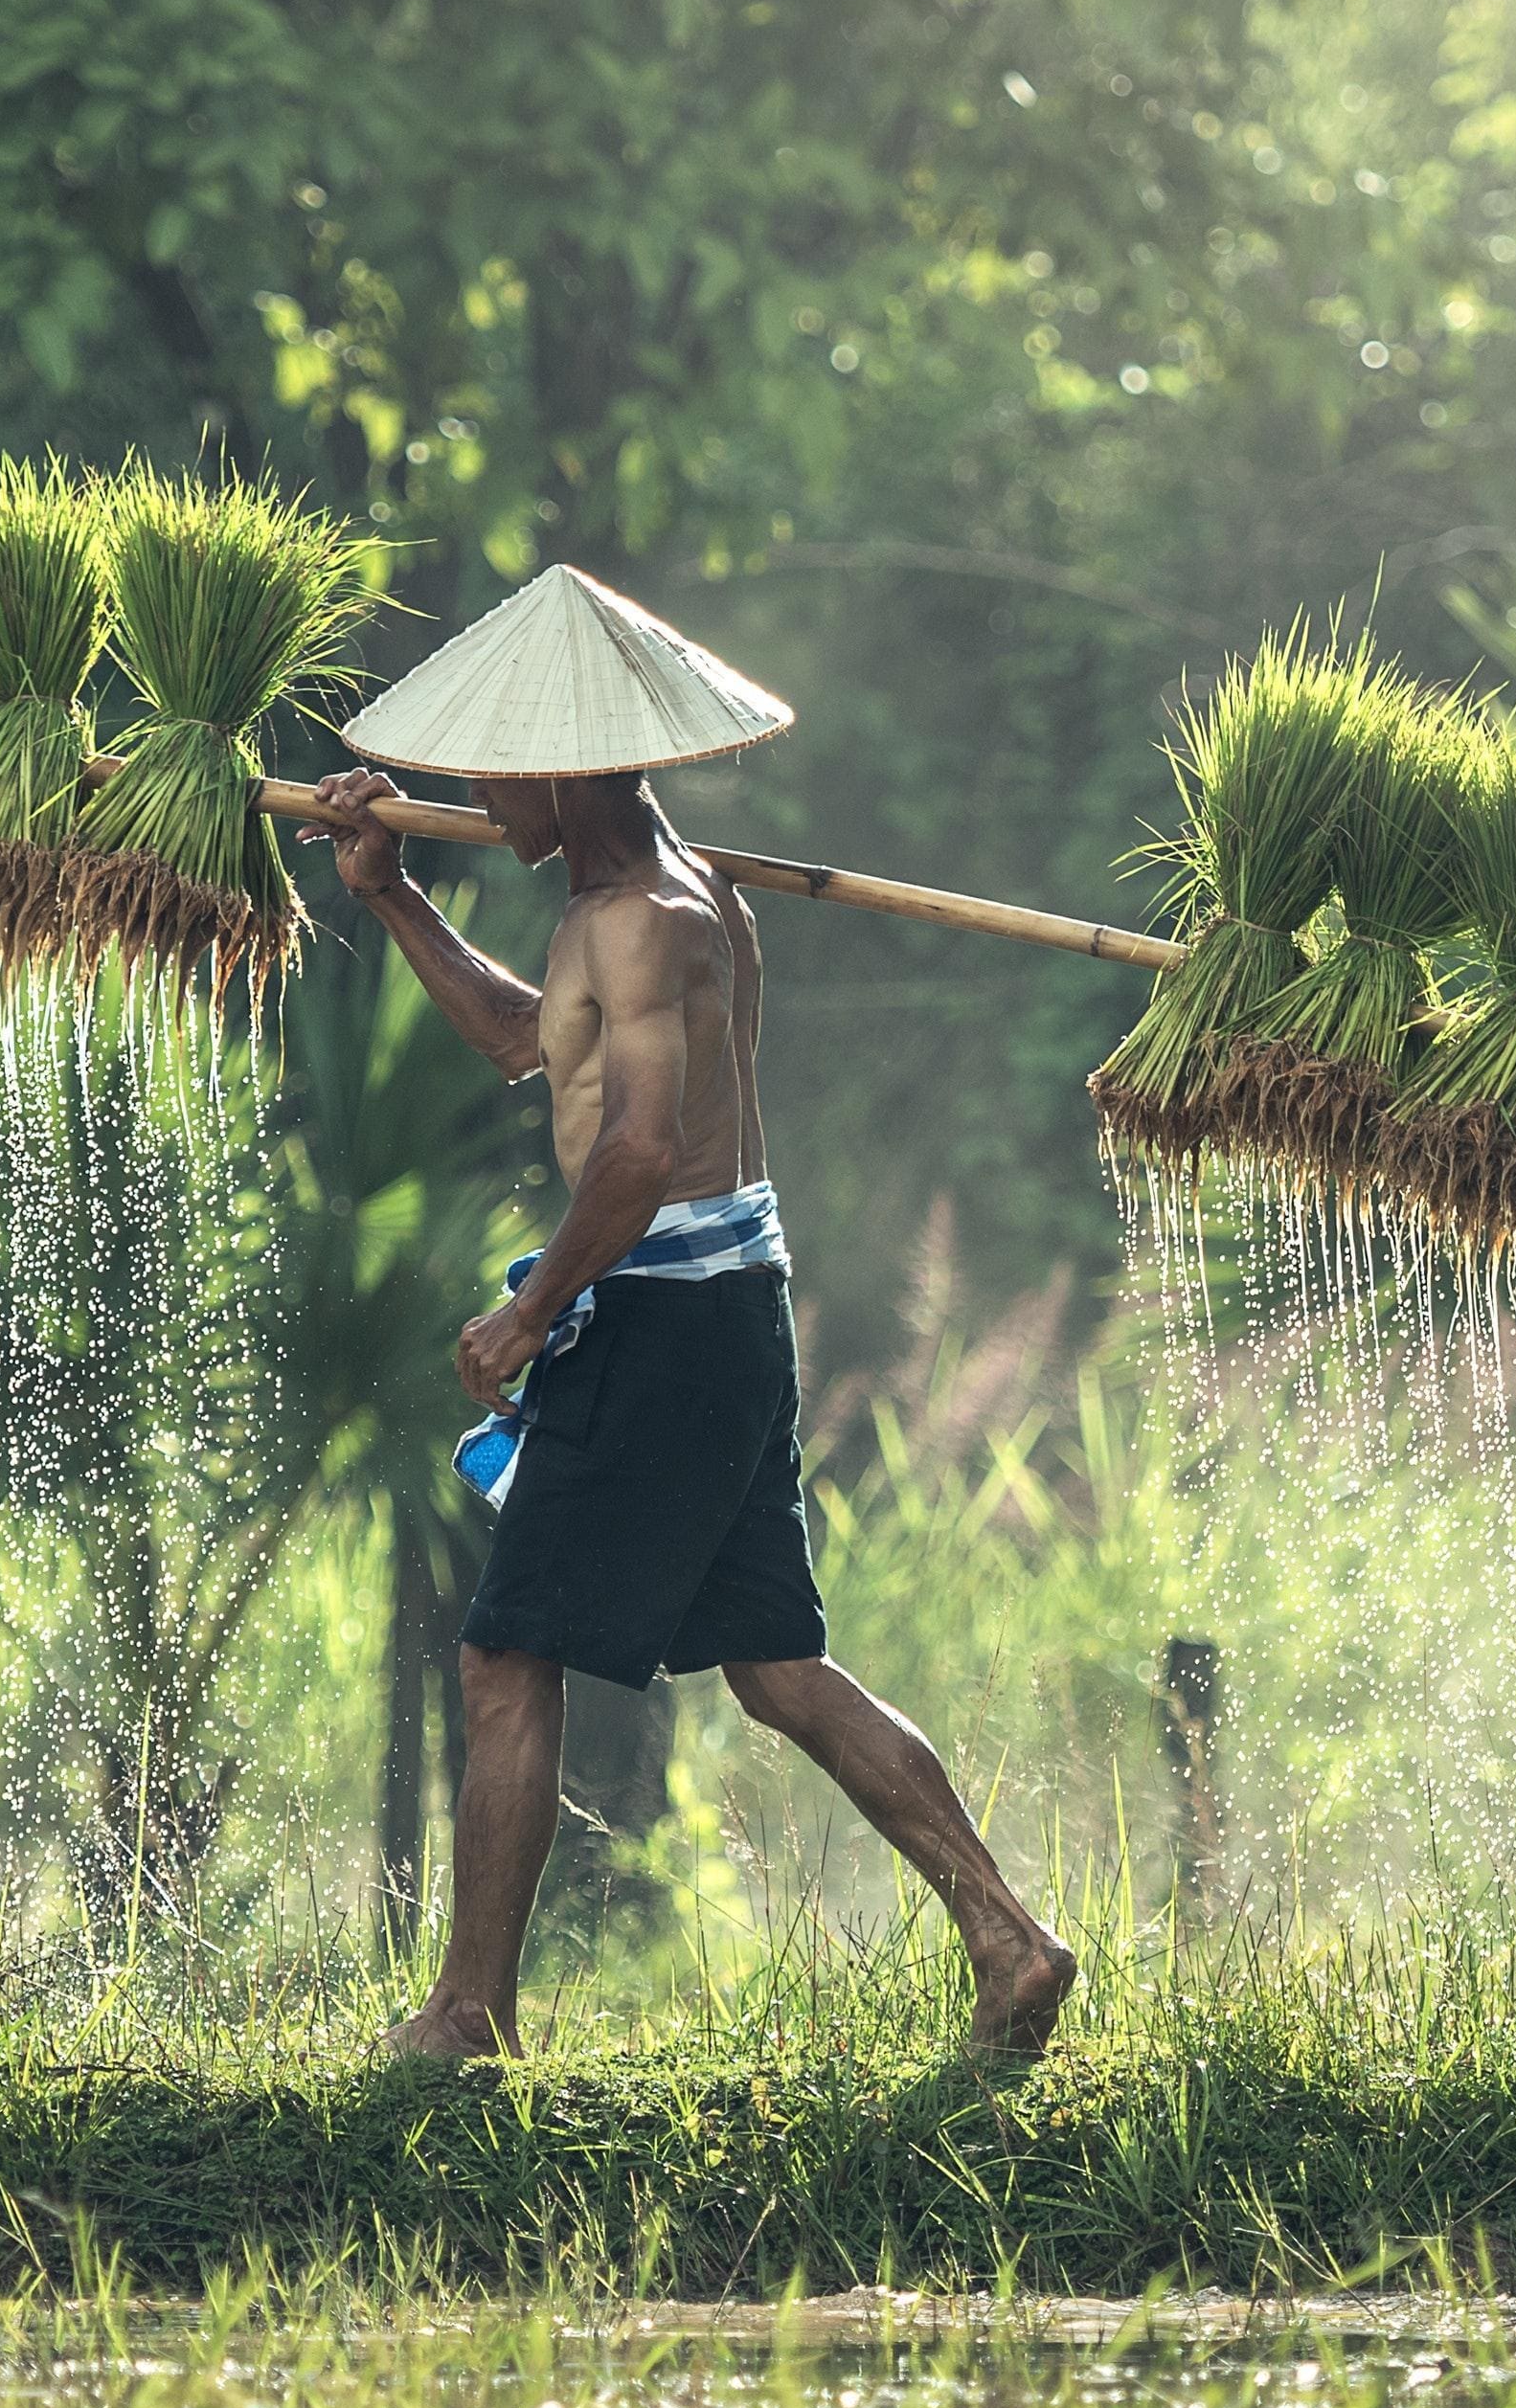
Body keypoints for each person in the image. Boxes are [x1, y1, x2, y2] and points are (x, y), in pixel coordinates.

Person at [296, 563, 1076, 2064]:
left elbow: (642, 1152)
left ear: (561, 769)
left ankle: (467, 2013)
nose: (476, 792)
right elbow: (534, 1045)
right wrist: (388, 893)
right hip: (724, 1308)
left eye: (494, 769)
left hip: (663, 1318)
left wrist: (533, 1306)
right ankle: (1010, 1937)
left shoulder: (650, 918)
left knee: (505, 1653)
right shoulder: (654, 901)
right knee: (776, 1666)